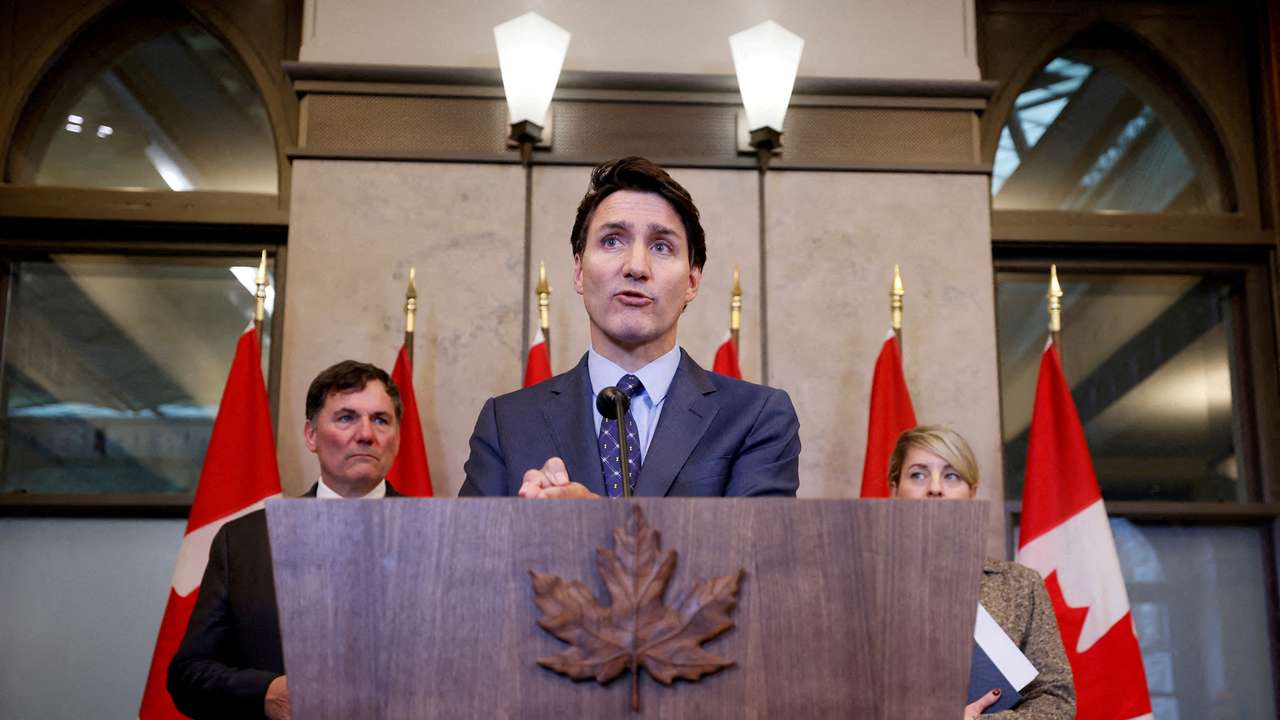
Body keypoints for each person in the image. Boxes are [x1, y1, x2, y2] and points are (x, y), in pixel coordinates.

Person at [459, 156, 800, 498]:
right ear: (579, 271)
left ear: (692, 281)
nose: (636, 267)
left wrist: (592, 521)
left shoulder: (757, 417)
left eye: (661, 246)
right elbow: (467, 549)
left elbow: (757, 549)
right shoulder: (507, 423)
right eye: (612, 241)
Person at [167, 361, 405, 720]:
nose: (366, 434)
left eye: (380, 420)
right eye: (346, 418)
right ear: (310, 435)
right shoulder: (245, 541)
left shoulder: (443, 538)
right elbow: (188, 675)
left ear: (397, 436)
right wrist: (265, 692)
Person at [888, 425, 1076, 720]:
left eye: (951, 476)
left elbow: (1057, 701)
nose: (935, 488)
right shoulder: (859, 587)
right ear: (894, 491)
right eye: (918, 474)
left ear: (972, 493)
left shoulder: (1019, 586)